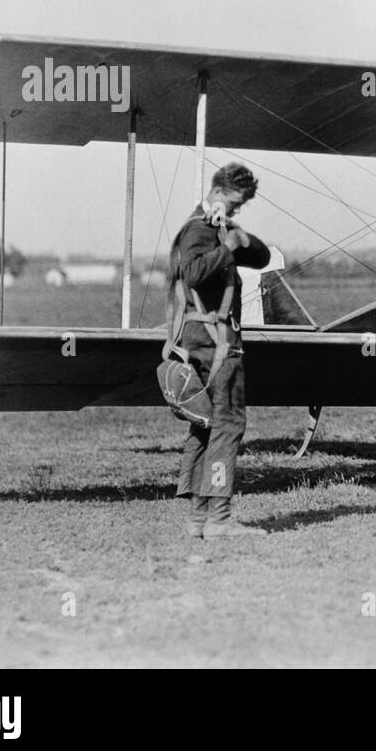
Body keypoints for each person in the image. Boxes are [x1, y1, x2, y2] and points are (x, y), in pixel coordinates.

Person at [170, 162, 271, 538]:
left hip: (203, 340)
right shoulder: (198, 230)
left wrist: (235, 234)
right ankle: (220, 519)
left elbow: (260, 257)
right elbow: (193, 274)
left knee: (206, 426)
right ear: (216, 193)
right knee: (228, 425)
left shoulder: (213, 228)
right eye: (234, 204)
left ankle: (199, 519)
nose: (236, 211)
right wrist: (226, 247)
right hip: (215, 342)